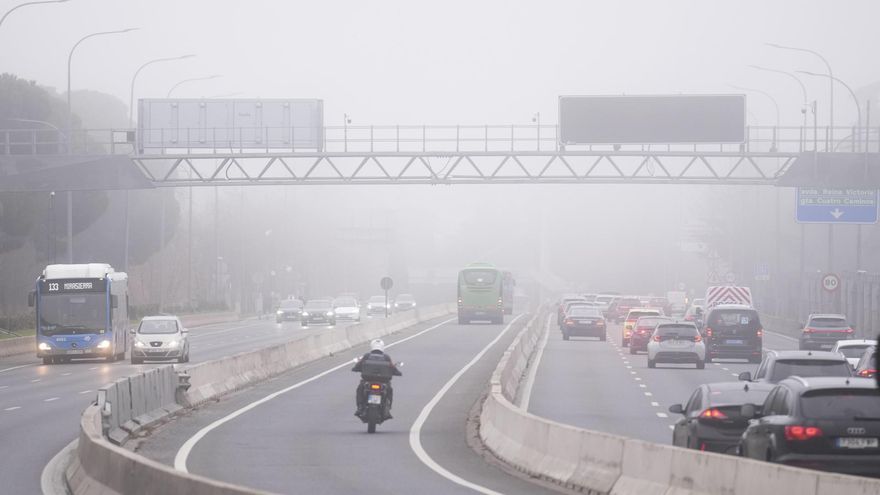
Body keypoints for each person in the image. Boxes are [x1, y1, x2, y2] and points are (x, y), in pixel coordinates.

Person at [352, 339, 402, 419]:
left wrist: (355, 369)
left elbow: (359, 365)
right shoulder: (386, 357)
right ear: (382, 347)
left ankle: (360, 407)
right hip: (383, 382)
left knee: (360, 389)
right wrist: (398, 373)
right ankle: (388, 409)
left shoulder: (367, 356)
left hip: (368, 380)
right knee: (389, 390)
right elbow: (392, 367)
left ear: (372, 346)